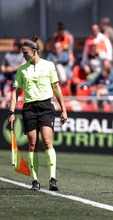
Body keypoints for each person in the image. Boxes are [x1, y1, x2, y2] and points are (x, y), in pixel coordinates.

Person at [8, 35, 68, 191]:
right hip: (29, 108)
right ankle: (35, 181)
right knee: (32, 144)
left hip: (46, 107)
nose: (23, 55)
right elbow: (16, 92)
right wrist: (11, 111)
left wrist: (64, 109)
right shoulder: (22, 69)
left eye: (25, 52)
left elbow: (56, 88)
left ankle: (52, 179)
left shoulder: (49, 66)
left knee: (47, 142)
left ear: (34, 52)